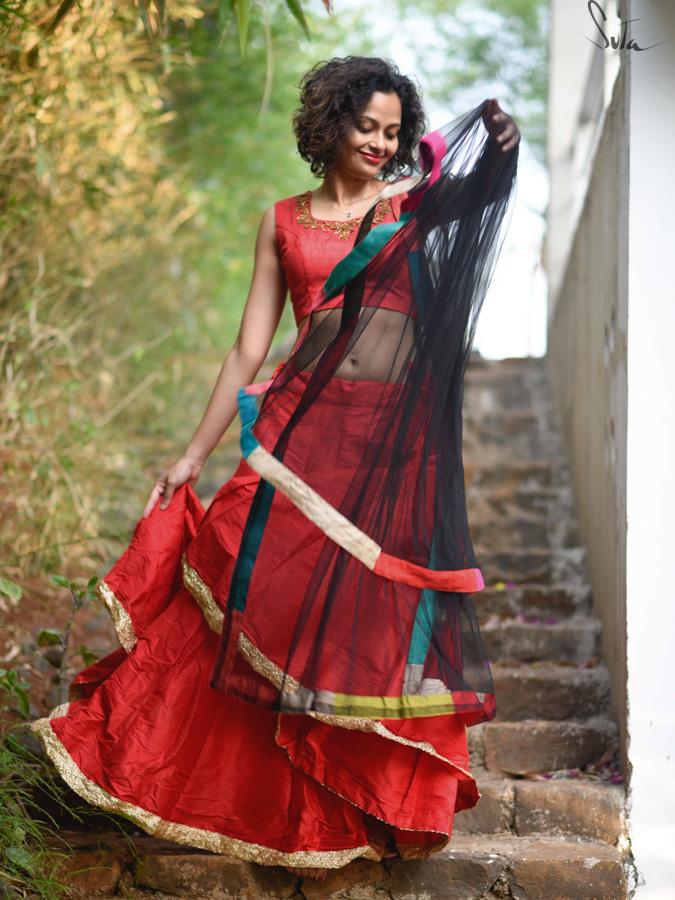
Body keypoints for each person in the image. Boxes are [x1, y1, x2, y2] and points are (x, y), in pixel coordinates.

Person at [32, 56, 519, 882]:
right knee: (234, 587)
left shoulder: (404, 208)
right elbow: (247, 349)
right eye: (365, 125)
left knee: (358, 623)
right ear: (331, 124)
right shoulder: (281, 221)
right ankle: (152, 767)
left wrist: (501, 151)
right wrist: (192, 454)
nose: (378, 142)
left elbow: (472, 196)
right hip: (295, 434)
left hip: (380, 450)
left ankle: (347, 803)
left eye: (393, 131)